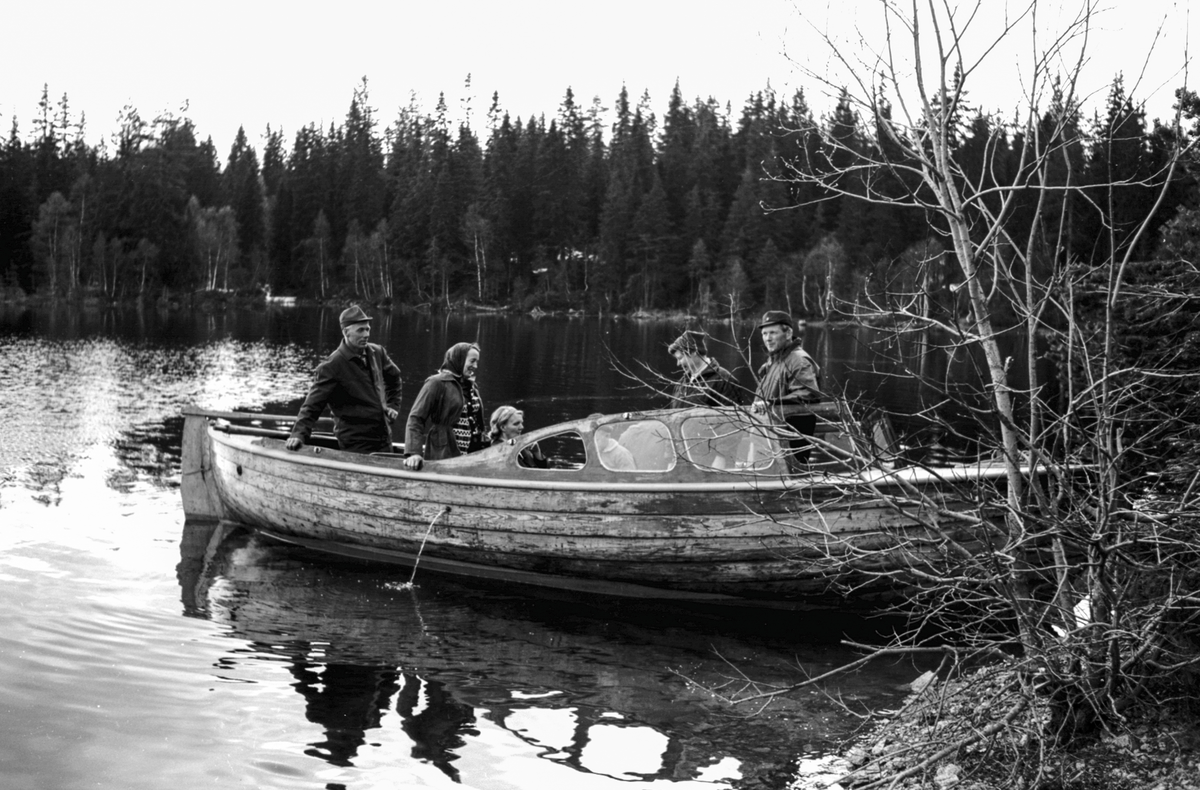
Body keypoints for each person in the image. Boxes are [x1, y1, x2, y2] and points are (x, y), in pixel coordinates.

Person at [285, 305, 402, 454]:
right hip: (356, 443)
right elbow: (312, 406)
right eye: (360, 330)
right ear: (346, 332)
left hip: (384, 437)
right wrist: (298, 434)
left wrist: (393, 404)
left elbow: (395, 377)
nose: (366, 334)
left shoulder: (377, 352)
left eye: (367, 329)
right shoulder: (332, 366)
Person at [750, 310, 823, 466]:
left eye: (773, 333)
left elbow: (809, 394)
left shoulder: (798, 360)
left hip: (787, 447)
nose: (767, 339)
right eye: (764, 334)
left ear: (788, 333)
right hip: (767, 440)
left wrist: (771, 403)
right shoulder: (772, 363)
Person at [404, 342, 483, 469]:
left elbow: (477, 422)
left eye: (477, 362)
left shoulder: (472, 387)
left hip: (471, 452)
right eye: (472, 361)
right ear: (460, 359)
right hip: (444, 450)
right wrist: (413, 453)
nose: (475, 366)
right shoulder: (437, 383)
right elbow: (416, 418)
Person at [666, 330, 741, 408]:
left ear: (693, 352)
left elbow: (735, 416)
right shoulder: (681, 383)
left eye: (680, 358)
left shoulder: (725, 380)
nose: (678, 364)